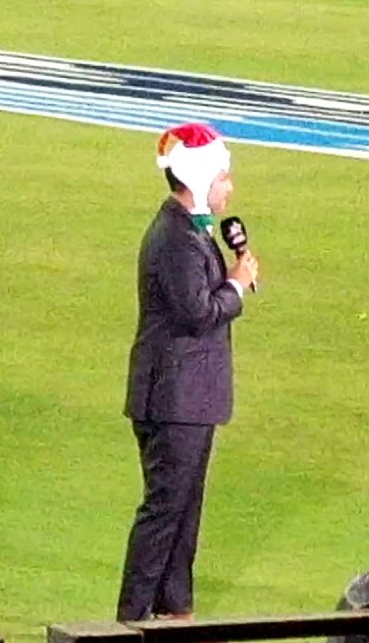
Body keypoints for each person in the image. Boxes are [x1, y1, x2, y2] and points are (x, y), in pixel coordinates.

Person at [116, 122, 260, 622]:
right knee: (164, 513)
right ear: (201, 178)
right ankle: (132, 619)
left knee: (182, 515)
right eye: (224, 177)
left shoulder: (186, 230)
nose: (230, 187)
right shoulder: (176, 239)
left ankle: (176, 613)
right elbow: (196, 312)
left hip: (186, 397)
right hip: (174, 398)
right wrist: (238, 286)